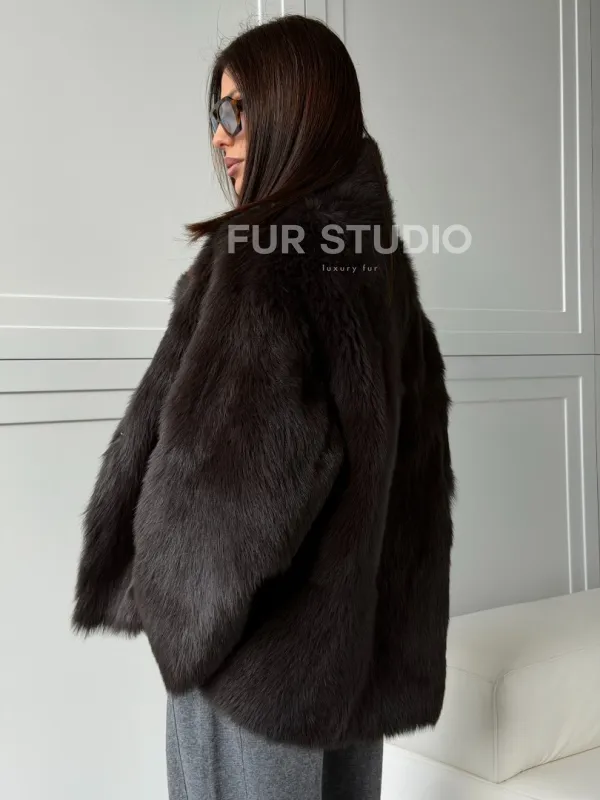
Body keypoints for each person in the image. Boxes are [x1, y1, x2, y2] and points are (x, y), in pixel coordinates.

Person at [70, 14, 455, 800]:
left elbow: (231, 484)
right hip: (347, 663)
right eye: (216, 113)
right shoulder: (377, 265)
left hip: (256, 663)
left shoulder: (267, 257)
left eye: (237, 111)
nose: (220, 136)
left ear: (297, 110)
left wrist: (181, 618)